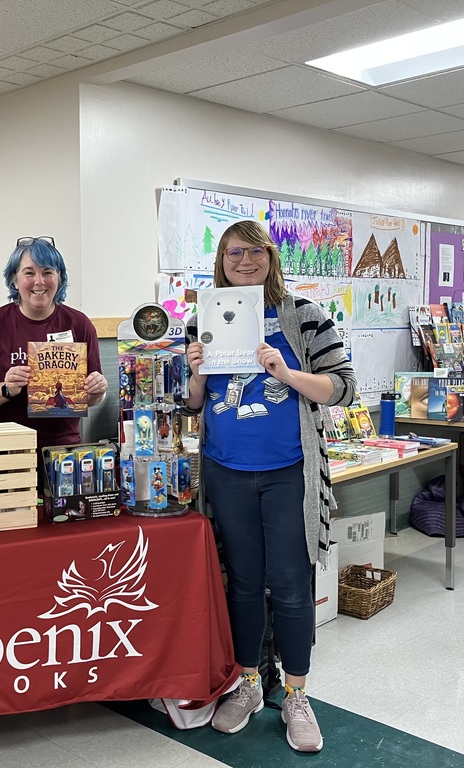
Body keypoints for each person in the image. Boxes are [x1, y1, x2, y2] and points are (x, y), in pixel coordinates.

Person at [184, 220, 356, 753]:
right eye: (234, 252)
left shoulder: (301, 315)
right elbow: (194, 405)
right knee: (241, 582)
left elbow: (342, 388)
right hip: (225, 470)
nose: (245, 260)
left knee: (290, 583)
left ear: (270, 256)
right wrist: (192, 373)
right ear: (222, 259)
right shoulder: (204, 315)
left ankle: (298, 696)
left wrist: (286, 372)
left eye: (255, 251)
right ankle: (250, 684)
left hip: (289, 472)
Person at [0, 236, 107, 454]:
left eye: (48, 272)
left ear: (60, 278)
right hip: (5, 450)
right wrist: (6, 389)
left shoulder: (79, 324)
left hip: (63, 452)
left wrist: (97, 391)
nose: (39, 281)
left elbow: (92, 396)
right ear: (14, 279)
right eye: (29, 273)